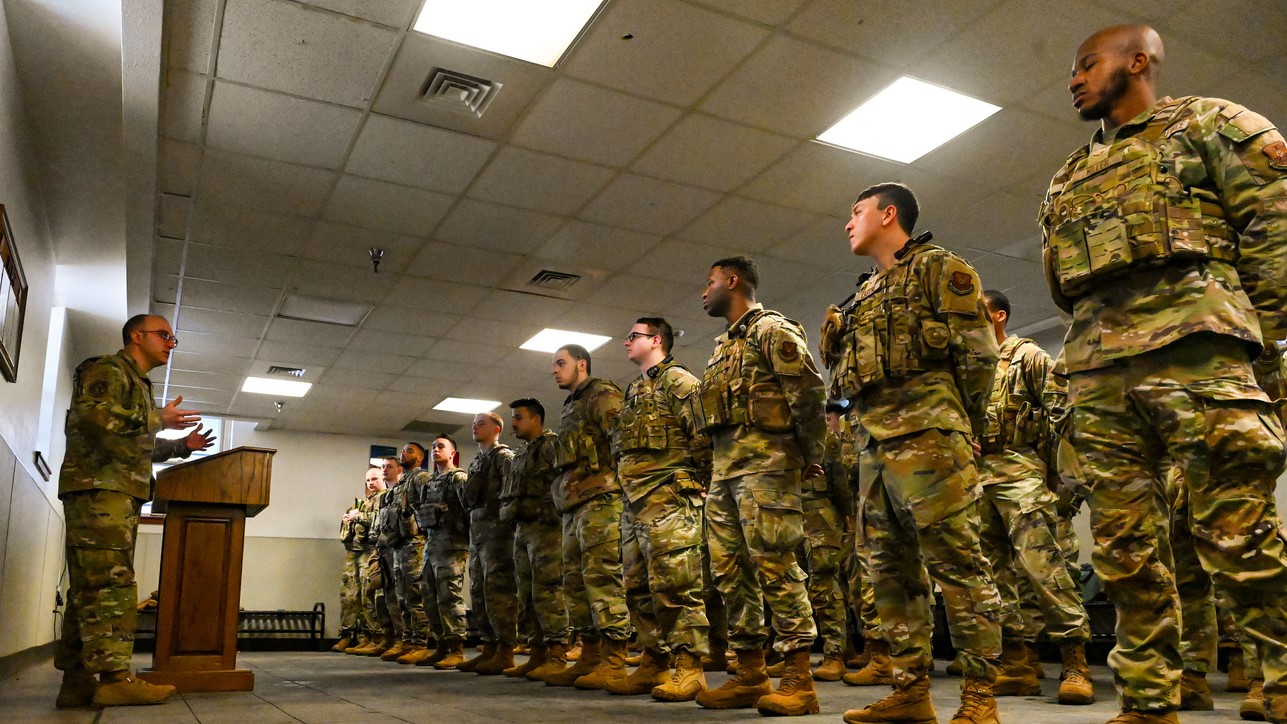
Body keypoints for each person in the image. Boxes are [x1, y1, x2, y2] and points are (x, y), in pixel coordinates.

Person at [1041, 24, 1287, 724]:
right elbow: (1062, 284)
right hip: (1098, 373)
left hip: (1197, 354)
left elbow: (1274, 238)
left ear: (1137, 61)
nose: (1073, 79)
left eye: (1087, 64)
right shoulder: (1068, 174)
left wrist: (1252, 348)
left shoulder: (1211, 124)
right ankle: (1148, 701)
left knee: (1234, 535)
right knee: (1123, 552)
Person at [820, 184, 1004, 724]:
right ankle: (910, 690)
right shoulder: (862, 294)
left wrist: (958, 425)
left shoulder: (937, 268)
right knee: (890, 573)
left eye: (857, 211)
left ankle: (979, 698)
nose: (849, 222)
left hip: (929, 437)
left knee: (958, 565)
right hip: (873, 445)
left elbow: (978, 358)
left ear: (888, 214)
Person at [54, 314, 214, 708]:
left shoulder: (139, 385)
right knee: (112, 584)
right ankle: (113, 678)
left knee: (91, 587)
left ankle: (76, 681)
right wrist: (159, 418)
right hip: (99, 492)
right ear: (136, 336)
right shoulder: (107, 368)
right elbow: (93, 419)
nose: (171, 342)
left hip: (114, 492)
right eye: (164, 334)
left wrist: (180, 446)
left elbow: (130, 444)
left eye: (173, 337)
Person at [693, 255, 825, 716]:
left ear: (733, 281)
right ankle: (750, 672)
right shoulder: (723, 346)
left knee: (774, 564)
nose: (704, 291)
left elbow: (808, 394)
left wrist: (811, 455)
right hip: (727, 471)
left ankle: (798, 678)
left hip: (767, 466)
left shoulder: (772, 330)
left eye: (710, 282)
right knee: (730, 573)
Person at [975, 289, 1093, 704]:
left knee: (1045, 569)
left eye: (979, 311)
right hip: (978, 479)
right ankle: (1017, 663)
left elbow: (1065, 412)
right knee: (993, 578)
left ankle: (1075, 662)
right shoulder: (971, 367)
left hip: (1021, 472)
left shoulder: (1027, 357)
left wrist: (1062, 479)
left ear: (999, 316)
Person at [610, 317, 713, 701]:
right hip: (635, 501)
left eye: (632, 336)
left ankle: (690, 668)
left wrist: (699, 487)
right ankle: (654, 662)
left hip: (669, 496)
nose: (626, 342)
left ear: (655, 340)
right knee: (637, 588)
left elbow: (702, 437)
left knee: (676, 584)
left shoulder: (678, 381)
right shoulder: (635, 388)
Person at [545, 344, 631, 689]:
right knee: (575, 582)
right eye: (553, 364)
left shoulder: (602, 394)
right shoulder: (571, 407)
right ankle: (590, 653)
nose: (555, 369)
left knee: (602, 577)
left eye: (561, 363)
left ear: (582, 364)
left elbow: (622, 440)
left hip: (602, 499)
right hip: (574, 504)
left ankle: (615, 658)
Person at [499, 398, 572, 682]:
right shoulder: (521, 453)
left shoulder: (551, 445)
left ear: (536, 419)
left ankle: (557, 654)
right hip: (523, 529)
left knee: (548, 592)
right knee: (527, 594)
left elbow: (560, 484)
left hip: (546, 528)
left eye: (518, 417)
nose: (514, 423)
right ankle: (537, 652)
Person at [458, 413, 517, 675]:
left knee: (498, 592)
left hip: (498, 536)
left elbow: (511, 493)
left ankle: (506, 650)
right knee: (479, 593)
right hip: (478, 535)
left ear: (497, 429)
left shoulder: (504, 457)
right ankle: (489, 646)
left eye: (480, 423)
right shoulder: (476, 462)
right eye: (473, 423)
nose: (475, 426)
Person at [415, 435, 471, 670]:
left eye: (441, 447)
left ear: (452, 454)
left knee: (449, 597)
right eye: (433, 447)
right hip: (431, 547)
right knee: (429, 598)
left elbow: (469, 510)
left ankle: (456, 649)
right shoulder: (429, 483)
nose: (436, 450)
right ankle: (441, 645)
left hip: (452, 547)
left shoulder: (458, 479)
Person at [336, 466, 385, 653]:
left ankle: (373, 636)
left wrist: (360, 517)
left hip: (370, 552)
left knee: (369, 595)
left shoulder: (386, 499)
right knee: (349, 596)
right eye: (368, 480)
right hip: (353, 552)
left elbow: (380, 522)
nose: (371, 483)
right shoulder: (361, 503)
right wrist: (348, 519)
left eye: (374, 479)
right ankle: (349, 635)